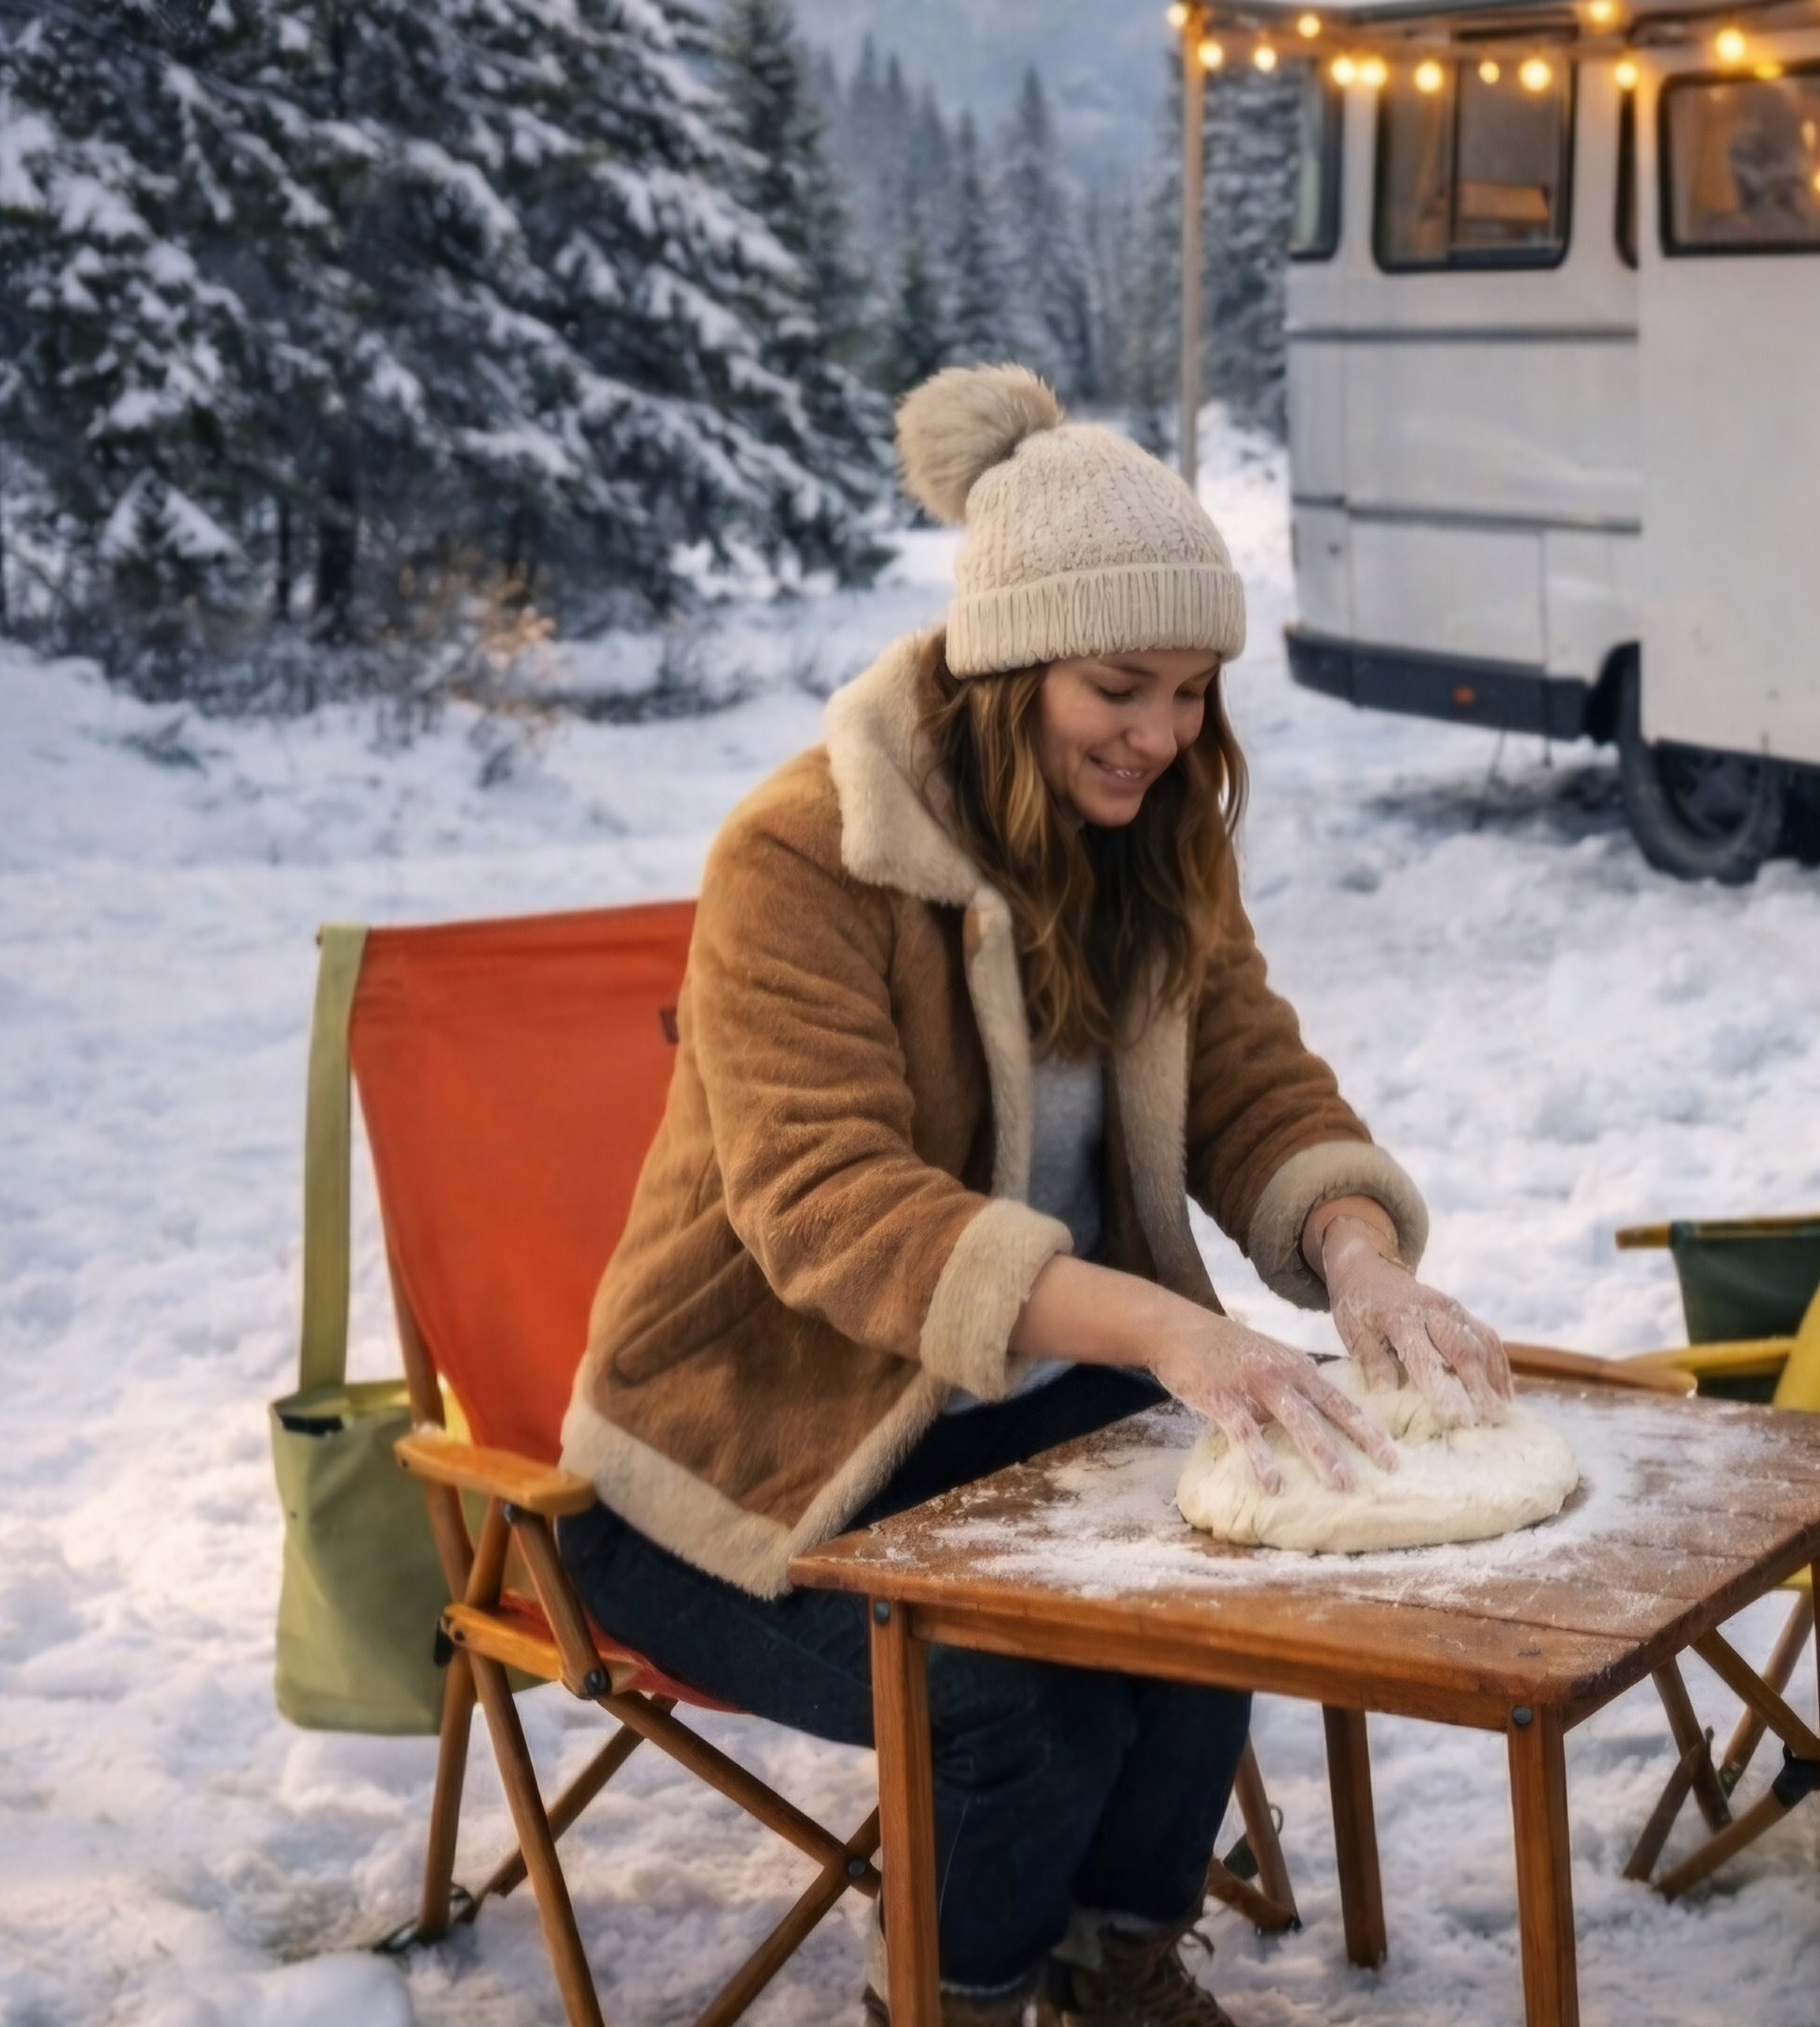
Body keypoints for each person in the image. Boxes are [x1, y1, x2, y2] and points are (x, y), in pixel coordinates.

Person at [556, 364, 1511, 2027]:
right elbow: (829, 1204)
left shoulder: (1146, 843)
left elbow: (1250, 1081)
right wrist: (1163, 1329)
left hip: (1008, 1417)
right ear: (1003, 669)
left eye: (1194, 693)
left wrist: (1357, 1259)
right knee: (1010, 1690)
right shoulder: (804, 858)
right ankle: (957, 1996)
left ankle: (1120, 1968)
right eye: (1119, 688)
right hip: (750, 1464)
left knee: (1215, 1585)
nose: (1162, 735)